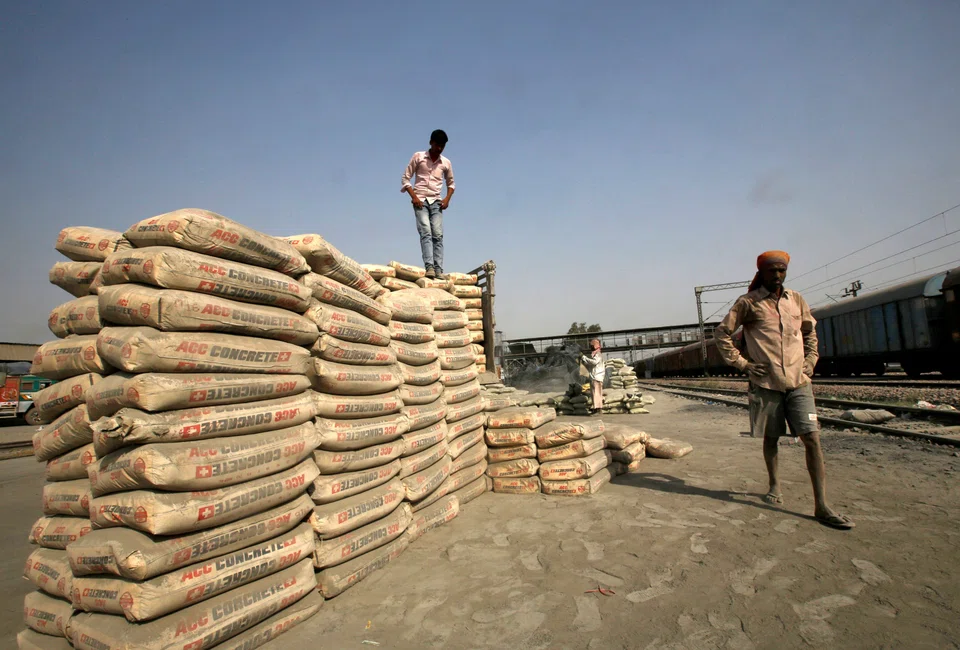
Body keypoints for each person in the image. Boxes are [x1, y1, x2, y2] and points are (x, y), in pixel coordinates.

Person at [714, 250, 854, 530]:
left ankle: (822, 505)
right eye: (772, 271)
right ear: (761, 273)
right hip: (767, 383)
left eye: (782, 271)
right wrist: (743, 364)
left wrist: (811, 360)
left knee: (812, 438)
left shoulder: (796, 300)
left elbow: (809, 332)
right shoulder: (748, 303)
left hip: (799, 382)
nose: (777, 275)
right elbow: (721, 333)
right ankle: (774, 484)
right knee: (772, 437)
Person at [401, 129, 455, 279]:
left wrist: (446, 199)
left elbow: (451, 184)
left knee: (438, 234)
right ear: (431, 143)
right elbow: (406, 179)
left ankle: (439, 270)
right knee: (426, 231)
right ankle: (429, 267)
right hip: (420, 201)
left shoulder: (446, 163)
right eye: (437, 145)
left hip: (436, 201)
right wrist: (414, 197)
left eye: (442, 146)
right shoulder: (419, 157)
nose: (439, 148)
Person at [580, 339, 605, 414]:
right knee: (595, 393)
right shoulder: (596, 354)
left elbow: (594, 362)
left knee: (596, 394)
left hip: (596, 377)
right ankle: (596, 408)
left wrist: (584, 357)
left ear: (595, 346)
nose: (590, 347)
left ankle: (597, 409)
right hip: (596, 376)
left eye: (591, 346)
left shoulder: (598, 354)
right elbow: (592, 364)